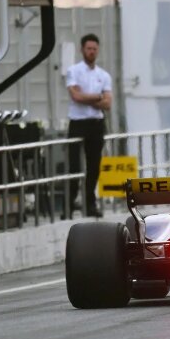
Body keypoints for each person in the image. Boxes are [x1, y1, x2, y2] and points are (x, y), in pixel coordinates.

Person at [65, 33, 112, 218]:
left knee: (94, 166)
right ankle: (69, 204)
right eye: (88, 48)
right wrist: (98, 97)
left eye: (94, 49)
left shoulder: (103, 75)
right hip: (78, 123)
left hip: (96, 124)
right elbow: (75, 96)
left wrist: (87, 98)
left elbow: (108, 103)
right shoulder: (74, 71)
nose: (91, 52)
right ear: (82, 50)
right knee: (74, 166)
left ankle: (90, 204)